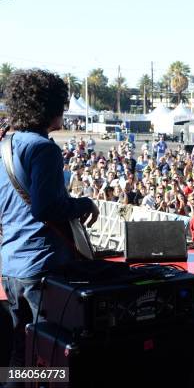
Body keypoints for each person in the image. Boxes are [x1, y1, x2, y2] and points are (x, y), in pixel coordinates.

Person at [0, 69, 100, 368]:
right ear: (48, 107)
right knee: (51, 354)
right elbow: (45, 209)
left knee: (20, 352)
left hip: (11, 263)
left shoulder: (5, 144)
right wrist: (83, 203)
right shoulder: (43, 149)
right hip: (44, 264)